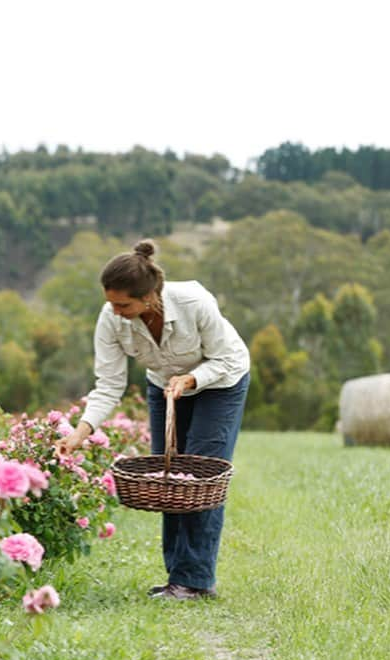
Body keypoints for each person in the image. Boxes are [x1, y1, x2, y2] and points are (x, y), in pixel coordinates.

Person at [58, 239, 250, 600]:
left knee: (199, 476)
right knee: (171, 476)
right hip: (165, 388)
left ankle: (195, 580)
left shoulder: (195, 302)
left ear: (150, 296)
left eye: (123, 304)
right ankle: (179, 577)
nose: (114, 310)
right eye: (110, 302)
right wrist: (79, 433)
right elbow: (110, 384)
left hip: (221, 382)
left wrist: (193, 379)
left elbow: (225, 360)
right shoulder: (111, 319)